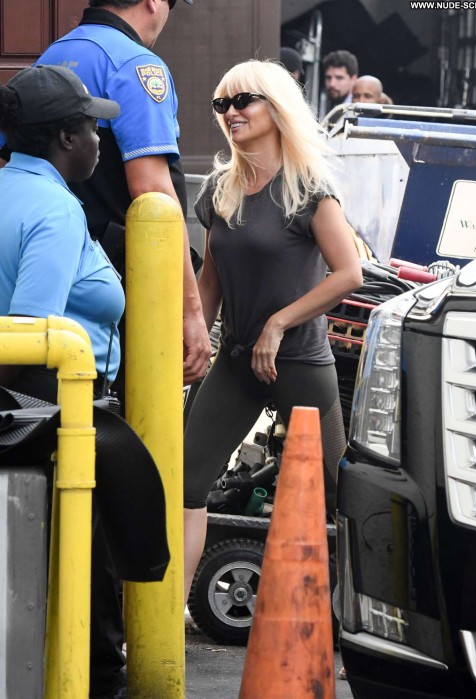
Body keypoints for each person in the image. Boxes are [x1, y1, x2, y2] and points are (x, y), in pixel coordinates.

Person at [183, 60, 363, 602]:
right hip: (236, 361)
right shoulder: (220, 189)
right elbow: (210, 282)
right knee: (186, 484)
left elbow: (349, 273)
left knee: (339, 495)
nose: (231, 113)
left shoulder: (309, 189)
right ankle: (167, 617)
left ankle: (357, 618)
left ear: (276, 107)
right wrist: (192, 340)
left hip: (300, 362)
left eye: (243, 101)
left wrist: (279, 324)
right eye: (222, 104)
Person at [0, 65, 126, 699]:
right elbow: (32, 333)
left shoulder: (9, 188)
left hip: (30, 401)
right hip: (52, 402)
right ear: (65, 138)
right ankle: (98, 678)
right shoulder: (53, 208)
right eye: (93, 128)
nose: (101, 141)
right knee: (84, 551)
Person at [29, 0, 211, 391]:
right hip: (118, 288)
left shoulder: (48, 58)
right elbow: (153, 194)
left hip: (43, 273)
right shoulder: (136, 65)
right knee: (129, 414)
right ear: (153, 2)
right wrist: (190, 311)